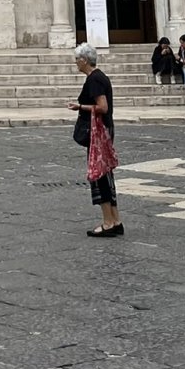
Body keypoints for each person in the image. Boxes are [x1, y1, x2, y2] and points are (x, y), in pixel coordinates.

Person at [68, 42, 122, 238]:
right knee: (105, 175)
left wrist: (79, 107)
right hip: (103, 131)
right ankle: (115, 220)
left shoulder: (95, 80)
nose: (76, 62)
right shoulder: (98, 77)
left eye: (77, 59)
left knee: (99, 176)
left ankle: (108, 222)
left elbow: (102, 107)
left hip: (98, 133)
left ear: (84, 60)